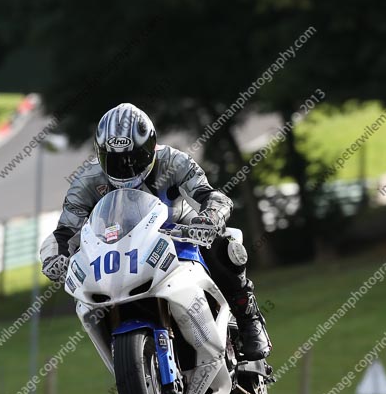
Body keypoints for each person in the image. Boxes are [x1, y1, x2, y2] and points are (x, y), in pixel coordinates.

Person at [40, 103, 271, 360]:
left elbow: (210, 195)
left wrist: (210, 216)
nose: (126, 167)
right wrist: (54, 257)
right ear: (100, 154)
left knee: (224, 246)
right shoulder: (87, 181)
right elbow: (65, 230)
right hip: (123, 249)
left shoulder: (174, 161)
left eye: (134, 158)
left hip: (180, 235)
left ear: (151, 148)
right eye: (114, 160)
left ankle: (249, 319)